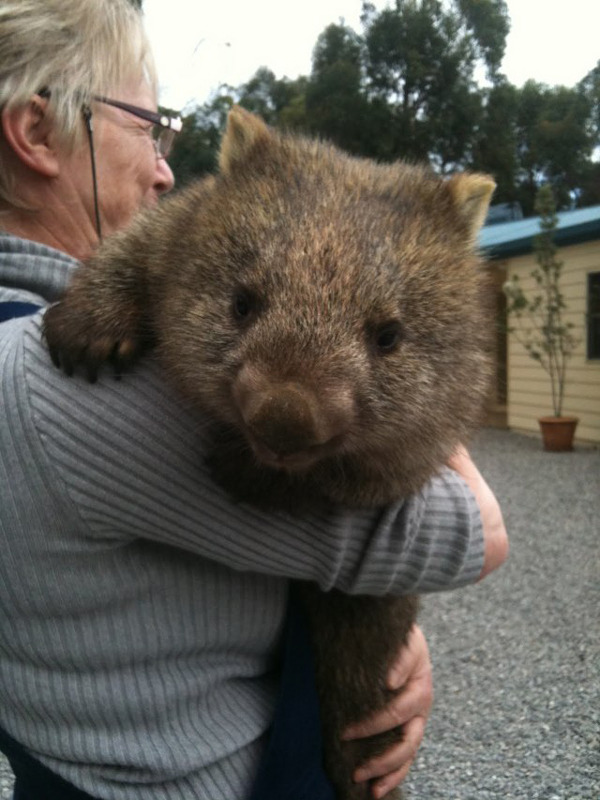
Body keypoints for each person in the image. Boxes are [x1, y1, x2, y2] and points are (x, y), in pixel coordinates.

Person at [0, 1, 508, 799]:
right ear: (36, 132)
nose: (169, 167)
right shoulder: (45, 384)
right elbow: (466, 536)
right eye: (148, 126)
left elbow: (175, 249)